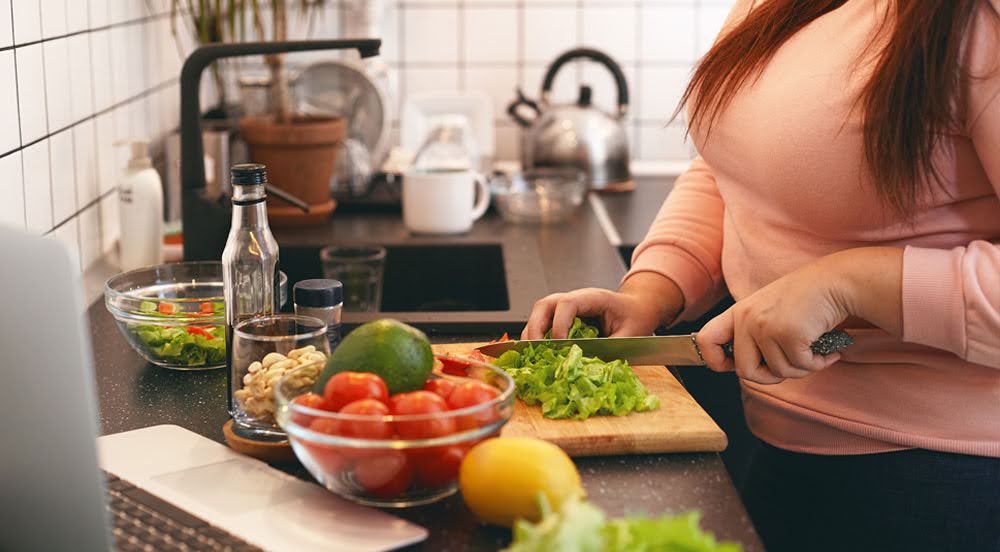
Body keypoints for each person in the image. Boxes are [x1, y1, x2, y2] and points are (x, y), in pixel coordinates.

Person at [523, 1, 1000, 551]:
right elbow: (732, 167)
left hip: (945, 482)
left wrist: (852, 282)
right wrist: (653, 288)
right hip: (778, 445)